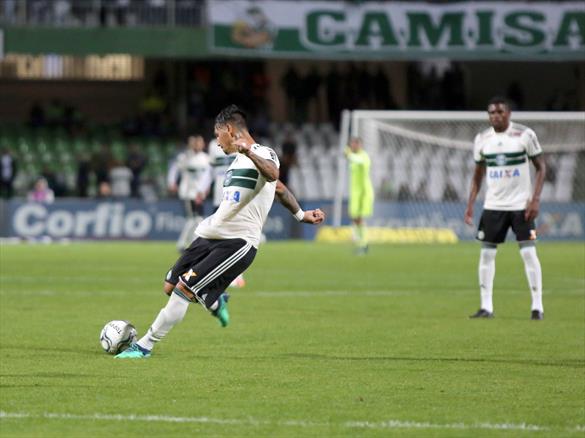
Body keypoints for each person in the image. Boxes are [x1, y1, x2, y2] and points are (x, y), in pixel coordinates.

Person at [116, 104, 325, 359]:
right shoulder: (235, 162)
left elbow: (273, 176)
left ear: (229, 129)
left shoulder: (262, 152)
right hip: (210, 234)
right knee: (169, 286)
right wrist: (301, 214)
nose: (216, 142)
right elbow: (280, 189)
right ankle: (215, 300)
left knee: (184, 290)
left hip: (237, 242)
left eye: (217, 135)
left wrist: (249, 151)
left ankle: (144, 346)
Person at [464, 97, 546, 320]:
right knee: (486, 254)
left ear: (508, 114)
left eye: (500, 112)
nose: (495, 116)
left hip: (522, 206)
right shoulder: (482, 139)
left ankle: (537, 306)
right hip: (493, 206)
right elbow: (477, 175)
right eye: (491, 113)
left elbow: (541, 167)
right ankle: (486, 307)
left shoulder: (524, 135)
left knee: (529, 253)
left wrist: (535, 199)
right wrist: (471, 203)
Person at [167, 135, 212, 251]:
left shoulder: (206, 158)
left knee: (196, 218)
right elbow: (174, 168)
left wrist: (206, 188)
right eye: (196, 143)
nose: (198, 145)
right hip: (188, 192)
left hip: (199, 192)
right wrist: (172, 182)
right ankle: (183, 244)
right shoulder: (185, 157)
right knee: (194, 218)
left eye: (201, 143)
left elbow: (209, 175)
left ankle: (189, 243)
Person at [345, 137, 374, 255]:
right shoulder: (354, 157)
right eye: (351, 144)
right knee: (355, 218)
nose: (352, 146)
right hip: (355, 193)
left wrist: (349, 155)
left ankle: (362, 244)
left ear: (359, 145)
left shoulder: (364, 156)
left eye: (354, 144)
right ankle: (362, 243)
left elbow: (358, 161)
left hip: (364, 192)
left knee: (359, 218)